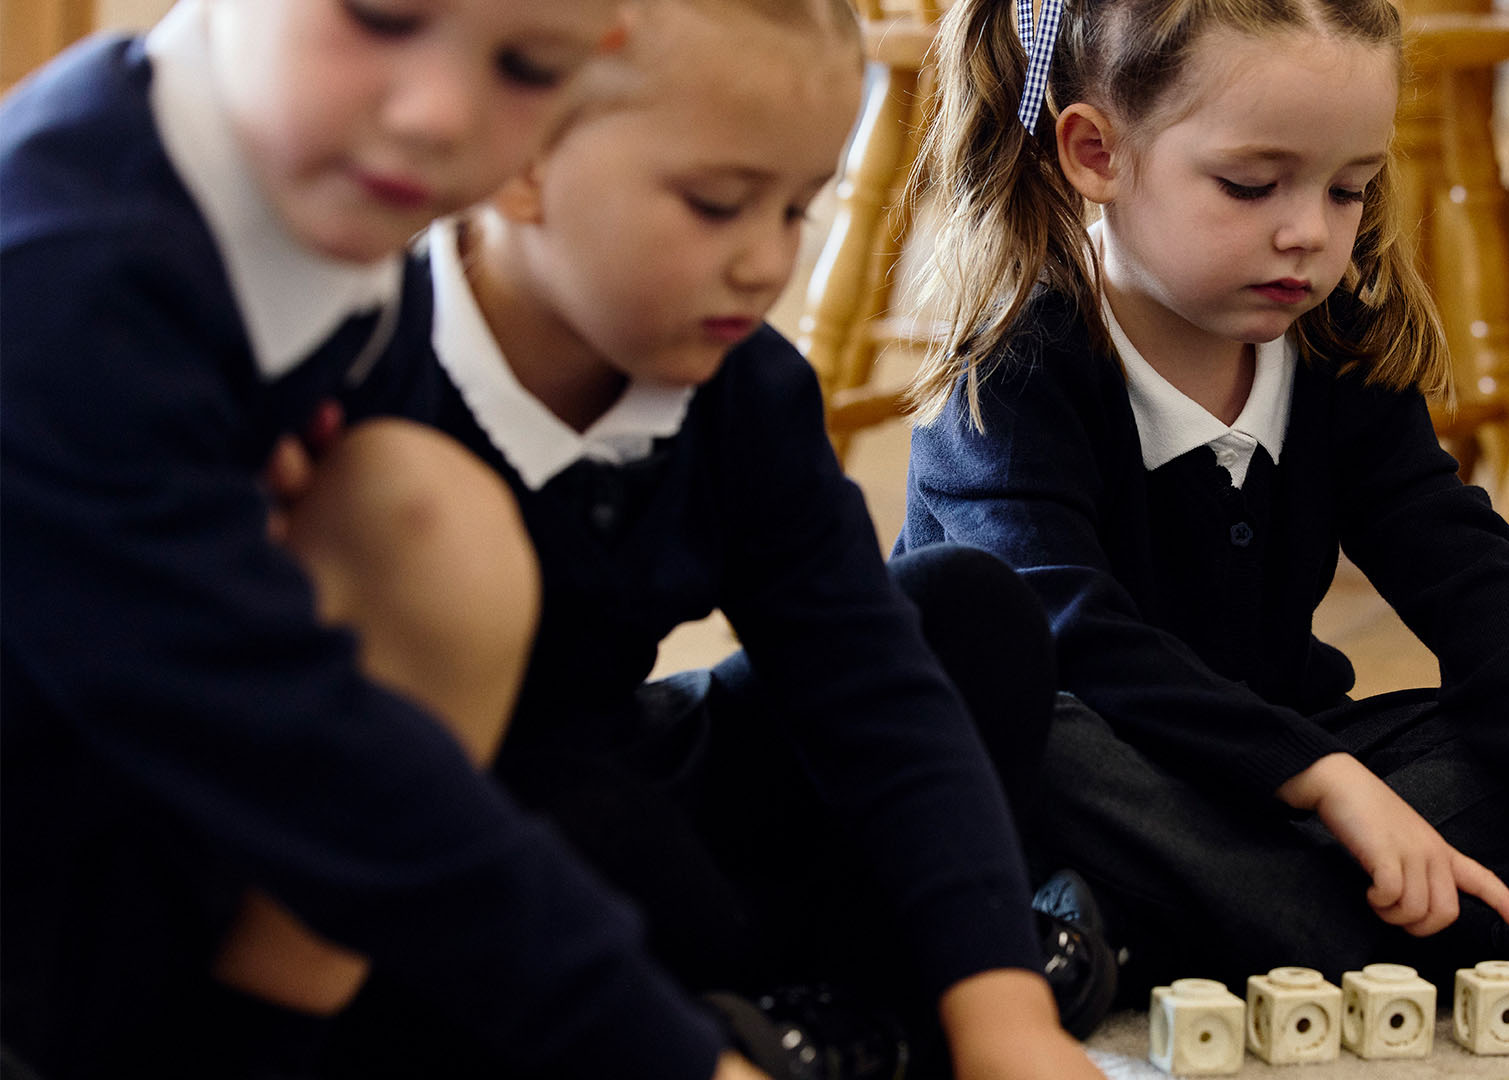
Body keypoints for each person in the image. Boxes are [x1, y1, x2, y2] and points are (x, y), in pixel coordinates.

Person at [894, 0, 1509, 1025]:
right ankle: (1380, 930)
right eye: (1251, 185)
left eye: (1349, 190)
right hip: (1105, 766)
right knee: (1009, 743)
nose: (1310, 233)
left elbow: (1461, 560)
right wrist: (1327, 784)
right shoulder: (1017, 374)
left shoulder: (1335, 346)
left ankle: (1141, 931)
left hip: (1259, 778)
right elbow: (1075, 638)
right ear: (1096, 153)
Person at [0, 0, 807, 1076]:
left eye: (525, 66)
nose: (438, 113)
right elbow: (301, 737)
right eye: (380, 17)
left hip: (128, 792)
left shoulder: (329, 215)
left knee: (424, 523)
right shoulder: (72, 274)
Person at [312, 2, 1113, 1078]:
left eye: (796, 213)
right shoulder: (356, 367)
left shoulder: (746, 387)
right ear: (521, 166)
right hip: (426, 837)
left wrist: (1000, 1008)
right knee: (597, 852)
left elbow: (870, 684)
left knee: (966, 614)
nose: (765, 266)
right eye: (718, 206)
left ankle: (852, 1003)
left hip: (630, 772)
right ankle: (762, 1013)